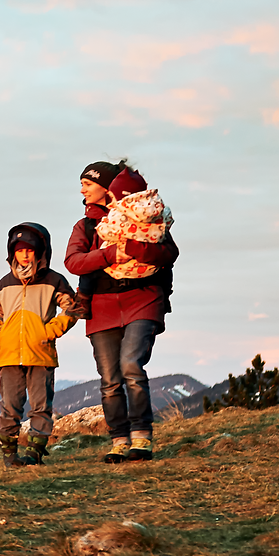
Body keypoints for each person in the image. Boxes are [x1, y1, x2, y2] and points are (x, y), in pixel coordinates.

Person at [64, 161, 180, 462]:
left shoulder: (146, 218)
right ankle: (119, 440)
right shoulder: (86, 226)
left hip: (143, 298)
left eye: (87, 184)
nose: (81, 189)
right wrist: (111, 253)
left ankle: (141, 437)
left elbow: (170, 253)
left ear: (106, 188)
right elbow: (73, 262)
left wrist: (135, 248)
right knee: (110, 378)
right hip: (101, 305)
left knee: (131, 364)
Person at [0, 222, 79, 466]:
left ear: (40, 251)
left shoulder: (53, 280)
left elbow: (72, 307)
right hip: (9, 355)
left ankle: (35, 454)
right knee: (10, 407)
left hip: (41, 353)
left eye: (29, 249)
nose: (24, 254)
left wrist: (50, 331)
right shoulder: (5, 283)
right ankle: (9, 457)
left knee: (40, 407)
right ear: (12, 253)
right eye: (19, 249)